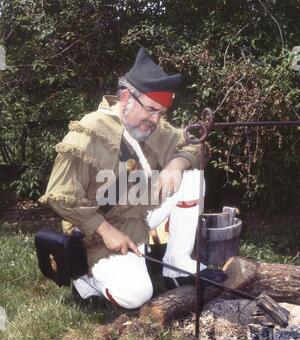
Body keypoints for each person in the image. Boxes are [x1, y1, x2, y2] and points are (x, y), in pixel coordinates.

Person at [40, 48, 204, 309]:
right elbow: (60, 194)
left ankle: (178, 264)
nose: (155, 120)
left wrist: (176, 163)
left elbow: (194, 145)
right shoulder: (91, 129)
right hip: (94, 230)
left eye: (161, 113)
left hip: (137, 211)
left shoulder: (150, 125)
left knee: (192, 175)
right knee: (137, 295)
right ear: (126, 97)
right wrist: (106, 231)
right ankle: (85, 279)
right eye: (151, 110)